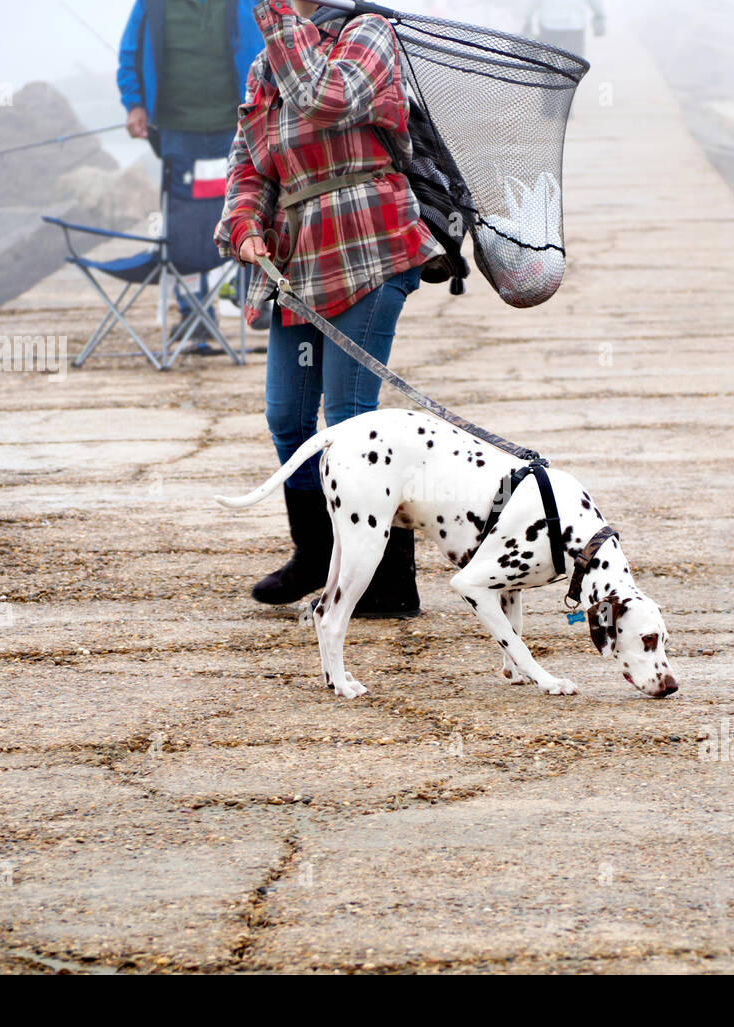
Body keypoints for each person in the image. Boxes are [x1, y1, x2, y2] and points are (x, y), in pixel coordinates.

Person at [215, 0, 444, 617]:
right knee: (289, 418)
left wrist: (280, 21)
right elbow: (250, 163)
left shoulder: (369, 34)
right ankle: (317, 553)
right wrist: (243, 224)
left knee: (350, 422)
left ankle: (387, 582)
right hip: (300, 264)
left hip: (371, 246)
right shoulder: (267, 63)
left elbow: (326, 96)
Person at [117, 0, 268, 336]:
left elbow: (272, 42)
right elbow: (130, 53)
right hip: (176, 131)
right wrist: (135, 105)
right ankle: (194, 312)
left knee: (248, 207)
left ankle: (254, 296)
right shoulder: (151, 4)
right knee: (183, 222)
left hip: (238, 125)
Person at [525, 0, 604, 57]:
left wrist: (527, 19)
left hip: (550, 24)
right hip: (574, 25)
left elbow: (532, 3)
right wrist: (599, 16)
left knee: (549, 62)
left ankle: (550, 78)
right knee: (574, 63)